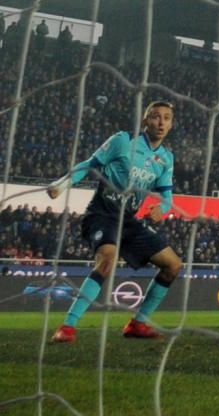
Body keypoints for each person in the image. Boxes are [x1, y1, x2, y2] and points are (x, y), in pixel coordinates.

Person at [47, 101, 181, 343]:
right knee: (108, 260)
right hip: (102, 213)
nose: (161, 122)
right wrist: (62, 184)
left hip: (129, 220)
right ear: (144, 120)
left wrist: (161, 208)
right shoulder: (122, 141)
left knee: (173, 265)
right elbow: (89, 165)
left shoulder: (166, 158)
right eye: (155, 117)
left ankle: (137, 324)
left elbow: (167, 196)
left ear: (171, 124)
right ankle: (67, 327)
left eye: (167, 118)